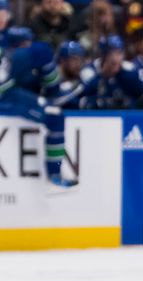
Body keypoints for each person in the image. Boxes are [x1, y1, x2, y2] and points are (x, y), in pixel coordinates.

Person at [0, 26, 73, 187]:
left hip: (9, 95)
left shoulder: (9, 51)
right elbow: (42, 53)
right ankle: (55, 173)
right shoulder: (25, 53)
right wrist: (54, 92)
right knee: (55, 116)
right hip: (7, 98)